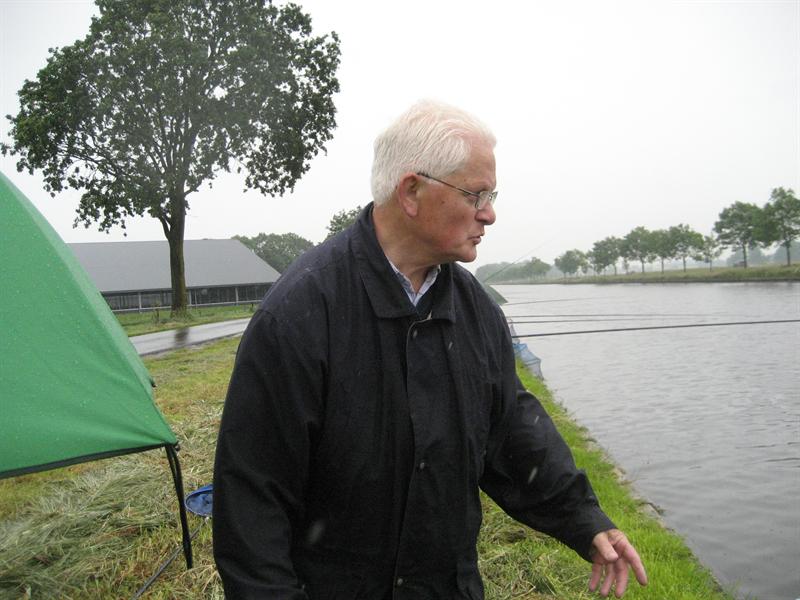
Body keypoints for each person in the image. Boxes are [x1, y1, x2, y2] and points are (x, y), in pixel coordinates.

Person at [212, 100, 647, 599]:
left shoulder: (475, 310)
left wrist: (583, 519)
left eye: (492, 195)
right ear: (412, 192)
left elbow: (510, 429)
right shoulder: (299, 314)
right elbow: (252, 500)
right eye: (476, 194)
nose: (489, 213)